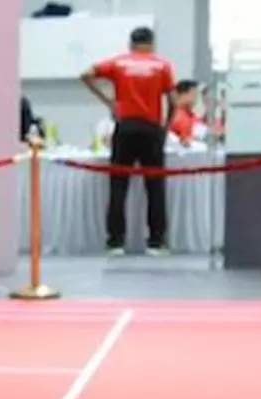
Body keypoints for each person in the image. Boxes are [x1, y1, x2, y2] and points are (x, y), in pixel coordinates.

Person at [82, 26, 176, 256]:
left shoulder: (118, 63)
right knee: (155, 187)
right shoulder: (162, 66)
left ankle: (115, 242)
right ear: (152, 44)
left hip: (125, 128)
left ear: (131, 44)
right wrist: (165, 127)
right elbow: (173, 101)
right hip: (151, 129)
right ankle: (156, 242)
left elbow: (85, 75)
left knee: (118, 185)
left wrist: (109, 102)